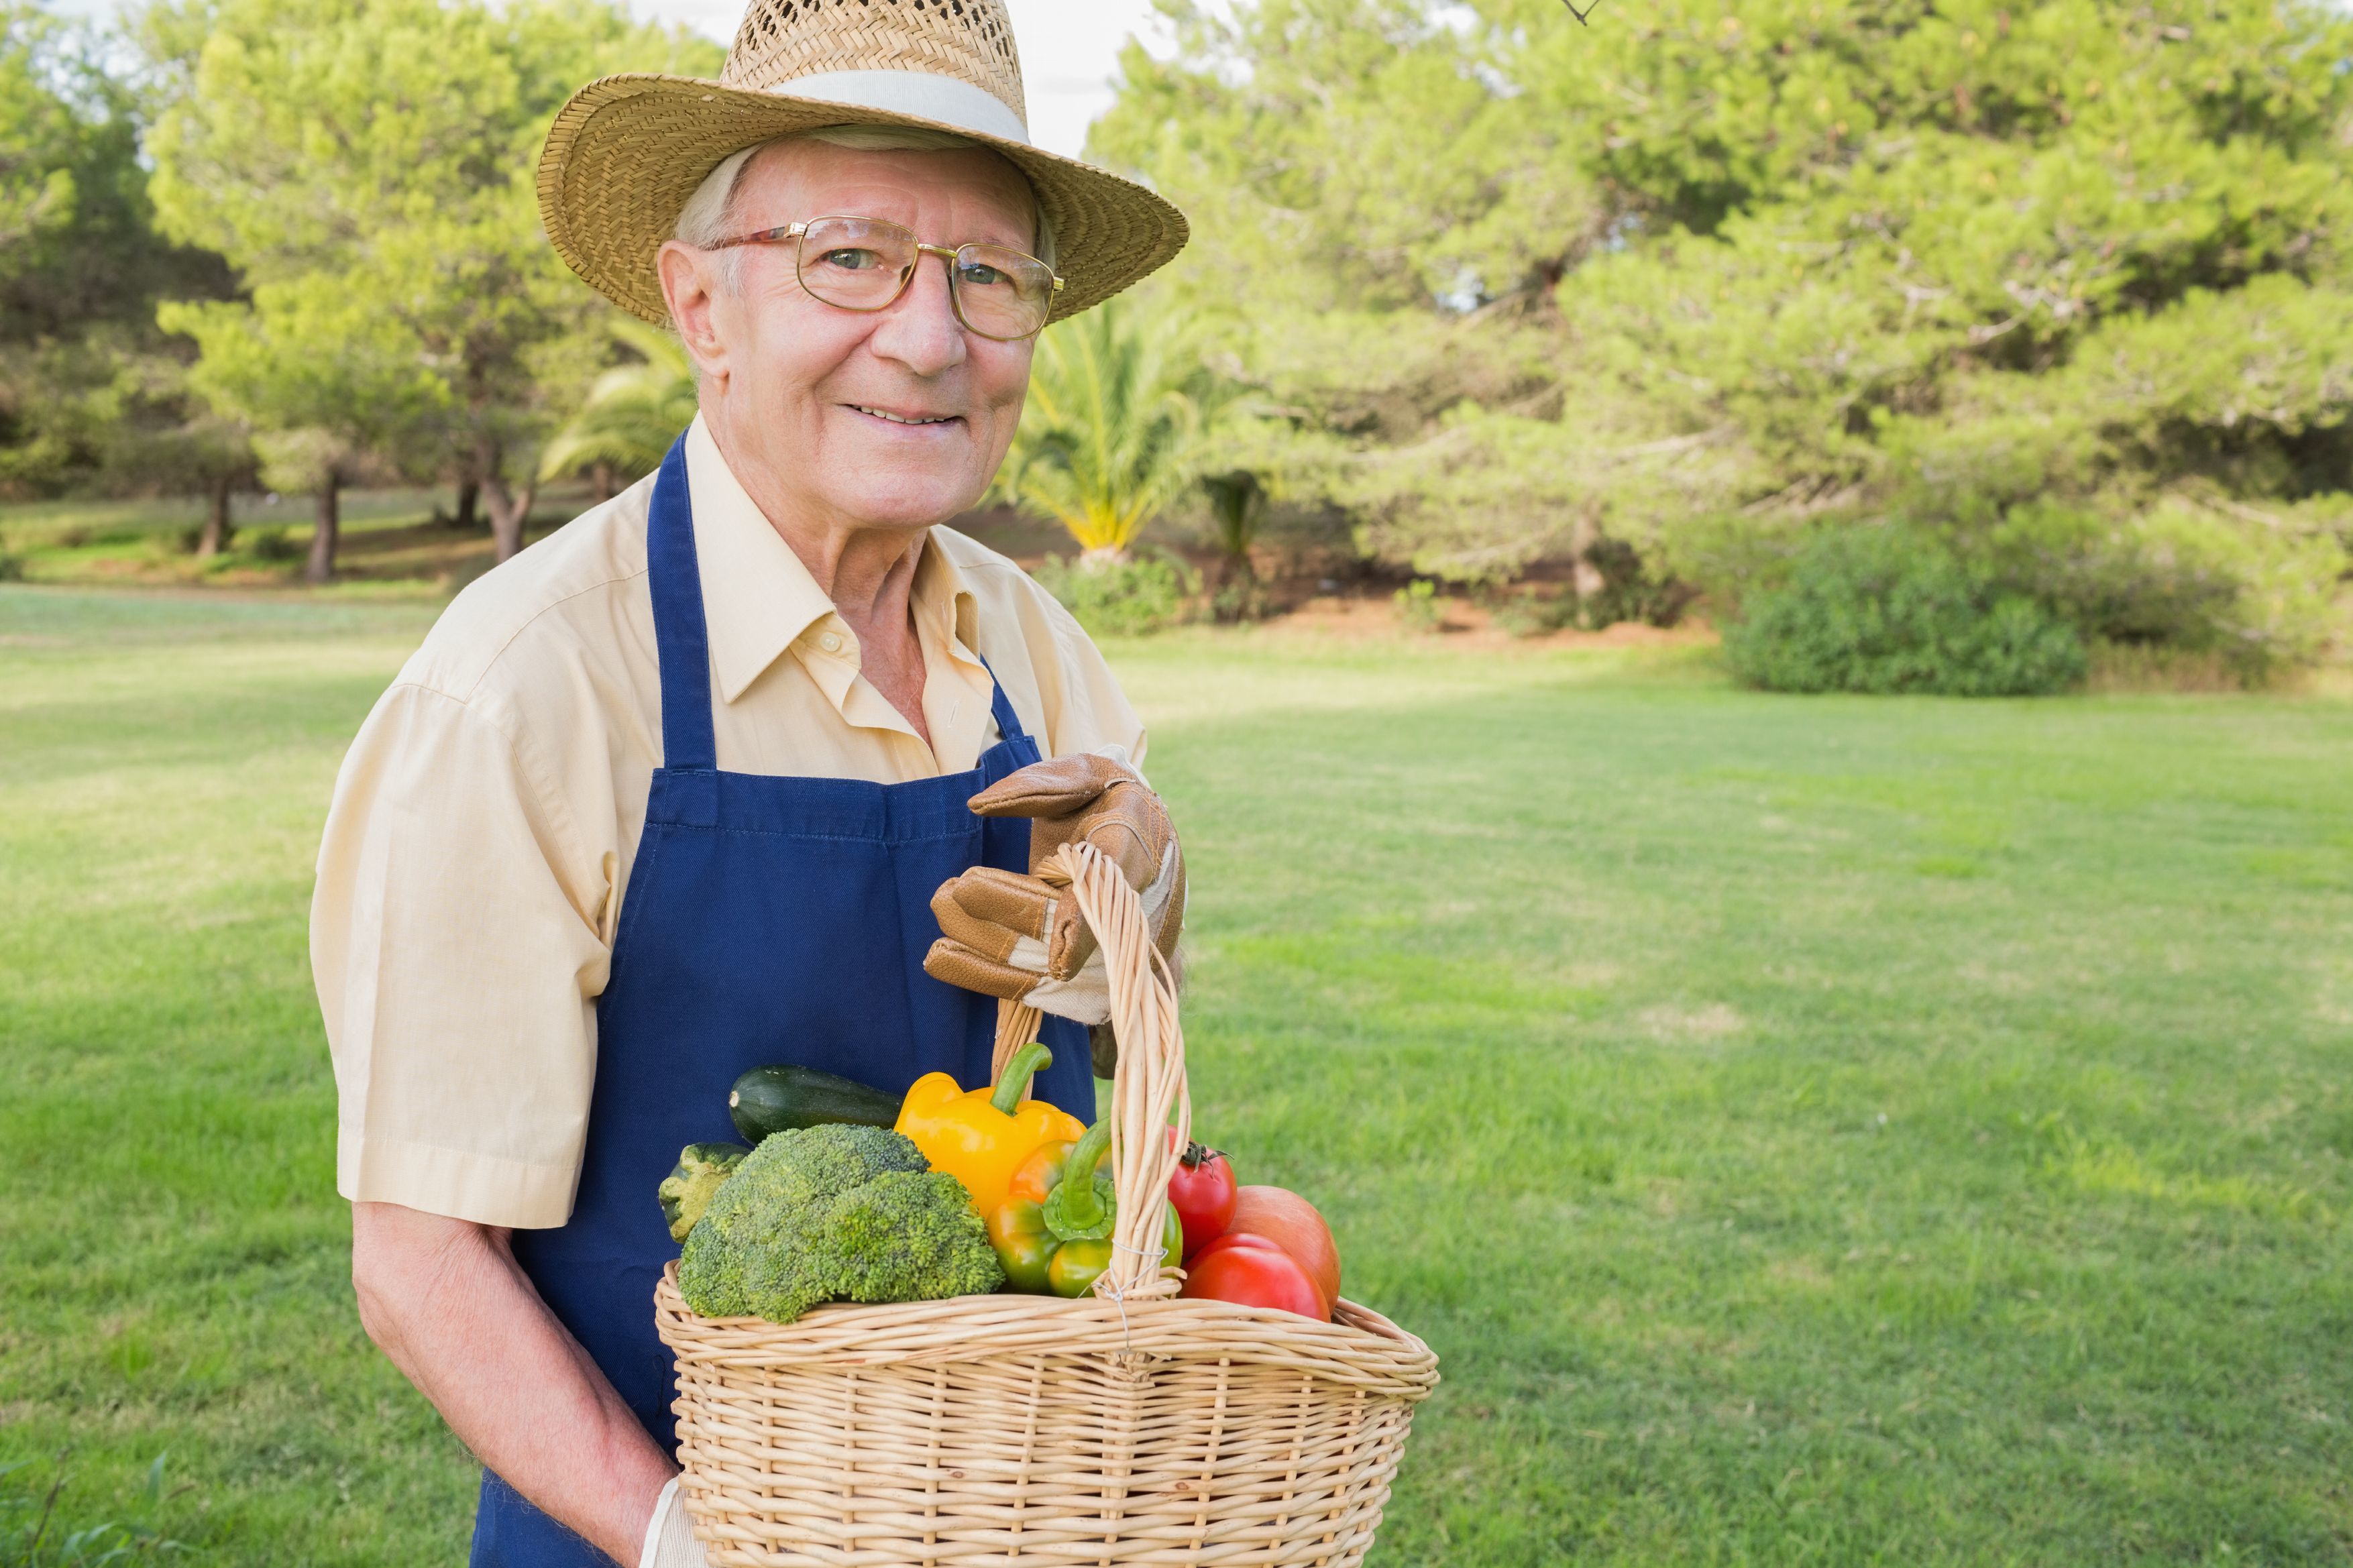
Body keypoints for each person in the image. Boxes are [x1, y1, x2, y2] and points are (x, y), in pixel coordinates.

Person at [309, 4, 1191, 1564]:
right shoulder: (527, 688)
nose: (929, 339)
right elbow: (420, 1255)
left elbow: (1107, 1060)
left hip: (1015, 1520)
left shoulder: (1038, 651)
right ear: (699, 302)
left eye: (988, 274)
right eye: (848, 256)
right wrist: (692, 1539)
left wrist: (1146, 901)